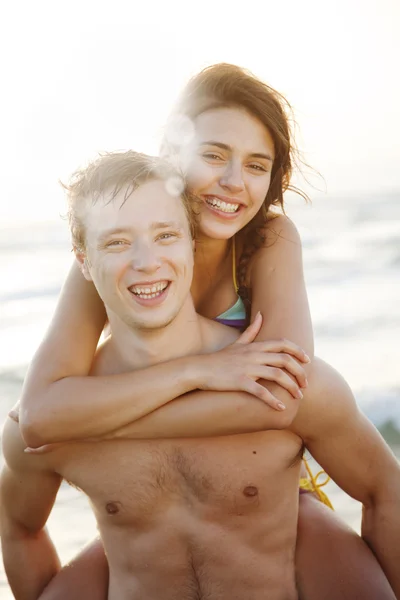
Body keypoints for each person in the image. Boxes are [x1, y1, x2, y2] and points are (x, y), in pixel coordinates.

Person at [14, 64, 398, 597]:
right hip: (155, 490)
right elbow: (39, 415)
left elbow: (282, 398)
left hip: (264, 480)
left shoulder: (268, 238)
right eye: (214, 154)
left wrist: (97, 426)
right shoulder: (120, 252)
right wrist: (200, 371)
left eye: (256, 165)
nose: (233, 182)